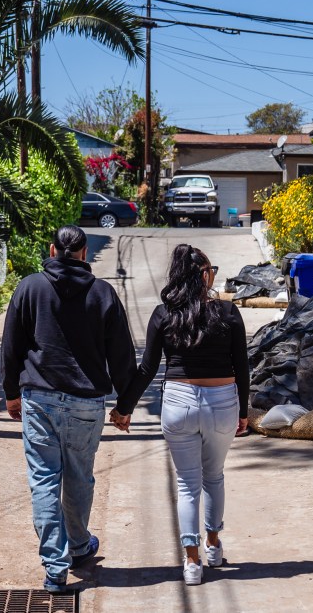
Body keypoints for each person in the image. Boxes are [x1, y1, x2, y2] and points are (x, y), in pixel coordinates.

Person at [2, 225, 136, 593]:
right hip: (86, 403)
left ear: (52, 249)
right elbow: (122, 356)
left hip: (39, 399)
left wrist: (12, 393)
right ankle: (78, 546)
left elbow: (11, 345)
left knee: (44, 480)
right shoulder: (103, 293)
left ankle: (55, 567)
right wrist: (125, 405)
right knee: (79, 478)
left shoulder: (30, 287)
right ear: (84, 252)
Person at [110, 243, 249, 586]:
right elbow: (243, 369)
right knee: (213, 475)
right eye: (211, 269)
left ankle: (191, 564)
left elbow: (146, 370)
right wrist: (243, 412)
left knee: (187, 485)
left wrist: (123, 408)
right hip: (221, 403)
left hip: (178, 403)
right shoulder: (229, 314)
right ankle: (213, 546)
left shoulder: (163, 314)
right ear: (203, 275)